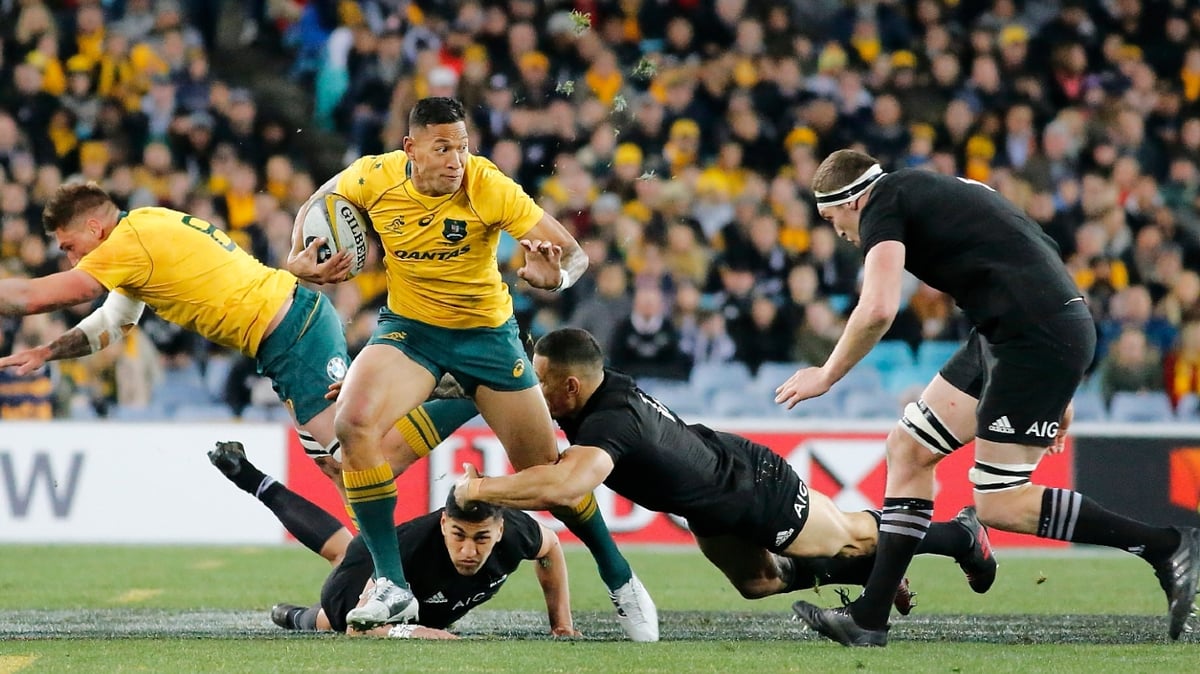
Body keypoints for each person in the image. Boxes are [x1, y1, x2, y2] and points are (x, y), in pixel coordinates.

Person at [776, 149, 1200, 646]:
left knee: (1000, 502)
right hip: (1015, 331)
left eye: (832, 219)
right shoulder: (934, 190)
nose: (840, 233)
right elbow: (1037, 246)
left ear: (852, 199)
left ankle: (1165, 546)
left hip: (1031, 336)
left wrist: (827, 374)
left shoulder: (883, 201)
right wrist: (1064, 379)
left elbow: (878, 308)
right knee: (908, 450)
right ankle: (869, 618)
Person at [302, 96, 654, 638]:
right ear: (410, 150)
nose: (456, 159)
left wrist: (551, 278)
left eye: (462, 147)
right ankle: (393, 587)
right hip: (410, 333)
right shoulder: (374, 177)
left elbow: (574, 255)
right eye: (443, 148)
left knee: (550, 480)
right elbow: (321, 199)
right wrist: (295, 253)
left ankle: (619, 575)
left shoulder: (486, 184)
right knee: (352, 427)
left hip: (488, 342)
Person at [0, 181, 478, 509]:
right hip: (287, 333)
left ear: (93, 229)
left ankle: (462, 393)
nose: (69, 256)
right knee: (339, 469)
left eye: (68, 246)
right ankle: (375, 575)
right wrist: (47, 352)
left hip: (291, 332)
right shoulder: (141, 232)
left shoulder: (128, 242)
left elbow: (44, 294)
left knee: (358, 458)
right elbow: (114, 322)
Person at [452, 327, 995, 611]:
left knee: (852, 534)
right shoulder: (597, 390)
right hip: (707, 505)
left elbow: (569, 484)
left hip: (754, 487)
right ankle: (871, 574)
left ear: (571, 386)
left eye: (543, 385)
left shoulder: (611, 422)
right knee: (758, 583)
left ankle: (959, 535)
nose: (536, 395)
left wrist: (481, 487)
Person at [207, 441, 578, 640]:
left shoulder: (519, 531)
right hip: (362, 584)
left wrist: (560, 622)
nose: (469, 550)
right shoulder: (413, 547)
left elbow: (551, 550)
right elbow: (359, 626)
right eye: (458, 535)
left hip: (407, 584)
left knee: (343, 546)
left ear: (500, 530)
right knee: (329, 615)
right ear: (444, 522)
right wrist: (418, 632)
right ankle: (294, 615)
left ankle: (250, 477)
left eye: (482, 538)